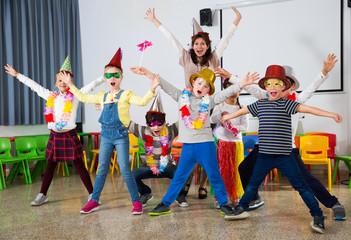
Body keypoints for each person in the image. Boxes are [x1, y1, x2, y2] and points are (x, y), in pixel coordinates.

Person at [217, 54, 346, 220]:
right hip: (265, 148)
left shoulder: (296, 101)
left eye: (282, 83)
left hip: (287, 150)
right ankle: (254, 198)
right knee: (244, 168)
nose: (277, 87)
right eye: (273, 83)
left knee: (307, 180)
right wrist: (230, 76)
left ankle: (334, 203)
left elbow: (312, 88)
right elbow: (251, 88)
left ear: (290, 86)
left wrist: (323, 72)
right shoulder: (266, 98)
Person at [131, 66, 259, 217]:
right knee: (179, 177)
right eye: (199, 83)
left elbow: (227, 92)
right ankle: (165, 204)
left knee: (214, 175)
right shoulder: (181, 97)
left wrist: (242, 84)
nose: (201, 87)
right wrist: (147, 72)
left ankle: (224, 204)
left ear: (208, 91)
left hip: (205, 144)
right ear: (193, 84)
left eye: (205, 86)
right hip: (188, 146)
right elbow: (164, 84)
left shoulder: (210, 100)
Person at [145, 7, 242, 198]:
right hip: (189, 107)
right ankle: (187, 181)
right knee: (190, 149)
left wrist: (236, 20)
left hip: (208, 110)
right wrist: (155, 21)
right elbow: (171, 39)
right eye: (196, 43)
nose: (199, 46)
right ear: (192, 45)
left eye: (203, 44)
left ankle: (204, 184)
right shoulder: (185, 58)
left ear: (207, 46)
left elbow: (226, 41)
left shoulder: (213, 58)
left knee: (208, 152)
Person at [60, 48, 159, 214]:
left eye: (115, 75)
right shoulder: (102, 96)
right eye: (108, 75)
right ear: (104, 78)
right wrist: (70, 84)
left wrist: (151, 89)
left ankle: (136, 201)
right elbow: (83, 98)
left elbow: (142, 102)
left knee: (125, 169)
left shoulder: (126, 94)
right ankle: (94, 200)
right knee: (102, 169)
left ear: (121, 76)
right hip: (106, 136)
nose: (112, 78)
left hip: (120, 136)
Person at [4, 56, 104, 206]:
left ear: (71, 82)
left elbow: (91, 86)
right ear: (56, 83)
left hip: (70, 135)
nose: (62, 83)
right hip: (54, 135)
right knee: (50, 164)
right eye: (59, 80)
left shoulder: (75, 96)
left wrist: (105, 76)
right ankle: (42, 194)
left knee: (79, 164)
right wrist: (18, 75)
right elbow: (34, 86)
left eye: (66, 80)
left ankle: (92, 195)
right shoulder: (50, 96)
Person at [129, 93, 188, 207]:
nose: (156, 128)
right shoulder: (144, 131)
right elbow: (127, 123)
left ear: (164, 123)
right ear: (147, 124)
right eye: (152, 124)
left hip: (168, 166)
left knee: (183, 172)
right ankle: (146, 193)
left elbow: (183, 120)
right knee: (131, 175)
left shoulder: (171, 130)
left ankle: (179, 195)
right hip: (149, 167)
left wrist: (187, 104)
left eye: (160, 124)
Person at [210, 76, 248, 208]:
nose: (233, 92)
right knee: (221, 171)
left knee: (236, 171)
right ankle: (220, 197)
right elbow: (212, 119)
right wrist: (221, 116)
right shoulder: (220, 105)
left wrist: (233, 127)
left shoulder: (242, 108)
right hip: (221, 142)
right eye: (229, 89)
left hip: (236, 144)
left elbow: (245, 127)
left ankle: (235, 195)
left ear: (240, 91)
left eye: (236, 89)